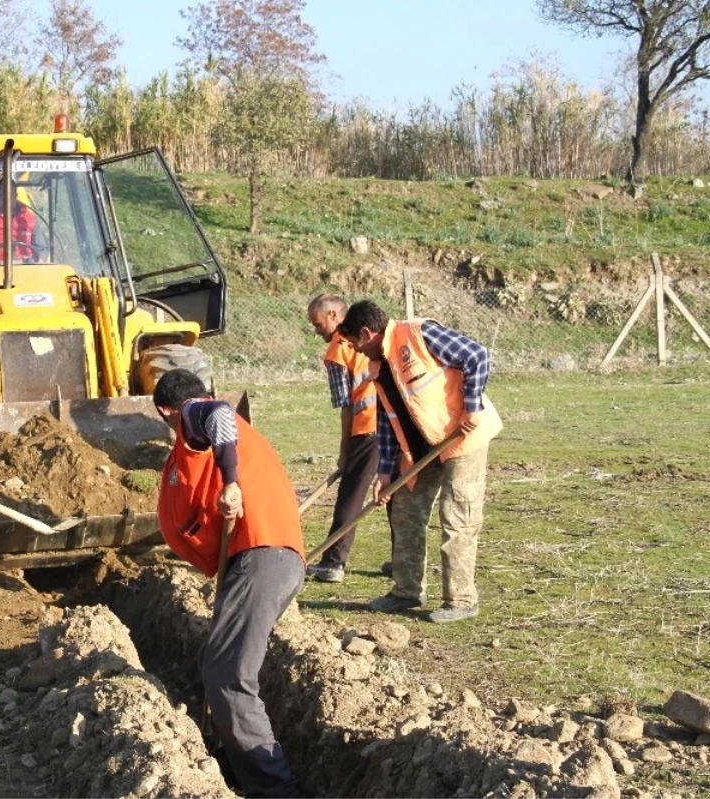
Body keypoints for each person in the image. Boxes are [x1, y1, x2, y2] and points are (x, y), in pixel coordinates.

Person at [152, 368, 304, 799]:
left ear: (166, 411)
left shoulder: (192, 415)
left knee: (229, 676)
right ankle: (232, 762)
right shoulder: (225, 440)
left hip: (262, 555)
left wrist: (231, 482)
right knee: (220, 663)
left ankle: (276, 790)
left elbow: (218, 413)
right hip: (259, 559)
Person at [337, 300, 502, 623]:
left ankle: (461, 600)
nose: (355, 350)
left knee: (457, 517)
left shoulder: (420, 334)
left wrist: (471, 406)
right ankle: (406, 592)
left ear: (367, 333)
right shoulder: (377, 368)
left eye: (354, 342)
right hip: (421, 449)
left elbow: (477, 355)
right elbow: (386, 421)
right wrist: (384, 473)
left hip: (461, 438)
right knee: (405, 512)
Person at [304, 293, 390, 583]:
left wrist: (345, 450)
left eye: (317, 325)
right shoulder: (378, 335)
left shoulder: (337, 351)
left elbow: (345, 405)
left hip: (367, 427)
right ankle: (405, 561)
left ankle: (333, 563)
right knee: (396, 491)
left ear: (333, 316)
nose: (317, 332)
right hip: (394, 421)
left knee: (350, 496)